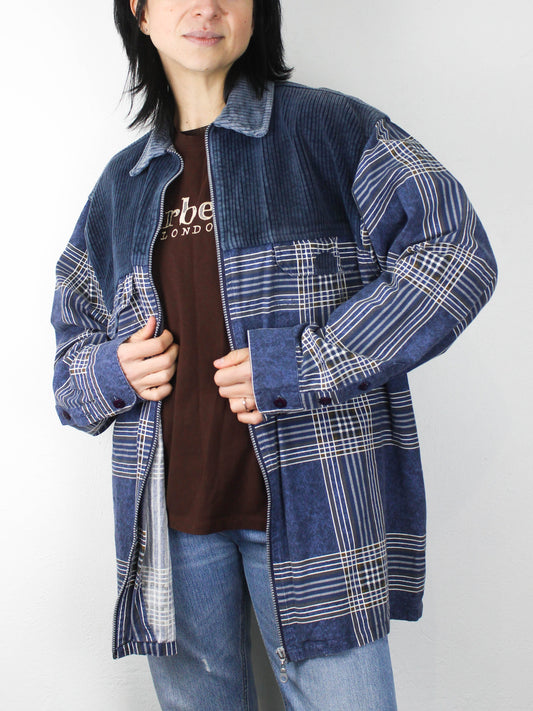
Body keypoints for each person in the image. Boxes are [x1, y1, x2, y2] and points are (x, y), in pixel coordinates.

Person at [51, 1, 497, 709]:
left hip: (319, 512)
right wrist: (113, 370)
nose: (206, 6)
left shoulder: (330, 129)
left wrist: (306, 363)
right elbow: (69, 366)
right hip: (171, 527)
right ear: (139, 13)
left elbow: (455, 254)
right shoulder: (121, 186)